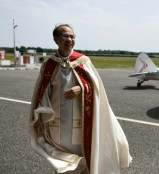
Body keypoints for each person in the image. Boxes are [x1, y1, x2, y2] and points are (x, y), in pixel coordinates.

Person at [29, 24, 132, 174]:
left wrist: (81, 88)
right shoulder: (49, 65)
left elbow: (97, 87)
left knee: (84, 158)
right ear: (56, 39)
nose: (70, 39)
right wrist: (38, 117)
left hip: (81, 123)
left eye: (72, 36)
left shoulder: (83, 61)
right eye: (66, 36)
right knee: (63, 162)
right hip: (57, 123)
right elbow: (42, 93)